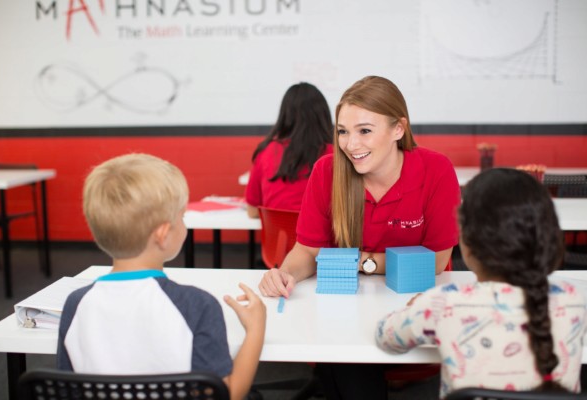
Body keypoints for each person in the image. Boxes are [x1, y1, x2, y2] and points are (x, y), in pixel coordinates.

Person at [258, 75, 461, 399]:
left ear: (398, 129)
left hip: (411, 302)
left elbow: (436, 261)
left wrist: (361, 263)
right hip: (348, 308)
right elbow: (307, 250)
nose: (351, 144)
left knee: (344, 368)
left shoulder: (436, 169)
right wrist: (285, 273)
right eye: (342, 131)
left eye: (364, 130)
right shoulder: (327, 171)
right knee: (344, 357)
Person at [57, 153, 266, 400]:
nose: (184, 224)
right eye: (182, 217)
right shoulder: (197, 305)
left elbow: (68, 389)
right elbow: (228, 394)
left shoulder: (75, 304)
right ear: (163, 234)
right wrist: (255, 329)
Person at [376, 168, 587, 398]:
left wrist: (419, 306)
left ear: (466, 242)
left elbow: (385, 338)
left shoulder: (443, 304)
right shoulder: (573, 300)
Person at [245, 82, 333, 218]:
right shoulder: (334, 155)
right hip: (318, 232)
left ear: (284, 115)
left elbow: (252, 211)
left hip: (278, 232)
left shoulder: (266, 151)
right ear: (323, 115)